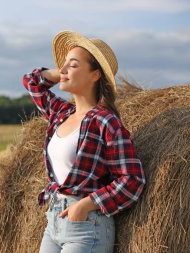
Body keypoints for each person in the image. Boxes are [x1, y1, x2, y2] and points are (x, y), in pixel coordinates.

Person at [22, 30, 146, 253]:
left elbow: (132, 179)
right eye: (63, 64)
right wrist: (59, 72)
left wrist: (86, 204)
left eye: (74, 65)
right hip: (53, 221)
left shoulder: (105, 121)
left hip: (88, 225)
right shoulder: (60, 113)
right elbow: (32, 82)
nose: (64, 69)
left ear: (95, 75)